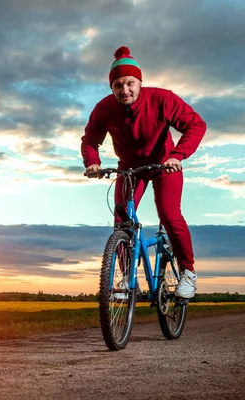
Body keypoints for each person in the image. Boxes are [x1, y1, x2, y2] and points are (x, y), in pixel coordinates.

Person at [81, 46, 207, 298]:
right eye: (118, 85)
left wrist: (177, 155)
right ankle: (129, 280)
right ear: (111, 87)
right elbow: (90, 139)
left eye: (130, 83)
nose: (124, 90)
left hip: (164, 164)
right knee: (121, 222)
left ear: (140, 82)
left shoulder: (162, 99)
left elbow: (196, 124)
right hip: (129, 169)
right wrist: (92, 162)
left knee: (169, 215)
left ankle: (188, 273)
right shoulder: (104, 108)